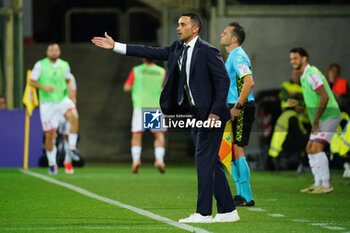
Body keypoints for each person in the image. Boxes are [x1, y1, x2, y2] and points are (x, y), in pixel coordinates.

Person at [92, 13, 239, 223]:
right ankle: (227, 211)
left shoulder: (208, 51)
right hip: (196, 115)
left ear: (195, 29)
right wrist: (116, 46)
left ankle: (204, 213)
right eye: (177, 24)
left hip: (211, 116)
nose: (178, 27)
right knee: (211, 162)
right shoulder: (177, 49)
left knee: (203, 161)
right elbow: (149, 51)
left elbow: (223, 82)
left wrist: (216, 113)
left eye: (182, 24)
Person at [289, 47, 341, 194]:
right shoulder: (305, 76)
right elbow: (315, 100)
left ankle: (326, 185)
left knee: (317, 148)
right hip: (322, 117)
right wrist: (299, 105)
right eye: (291, 59)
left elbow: (324, 96)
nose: (292, 61)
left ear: (304, 59)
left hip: (329, 116)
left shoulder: (312, 74)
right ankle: (317, 183)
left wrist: (316, 120)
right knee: (310, 148)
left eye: (295, 58)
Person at [220, 22, 255, 207]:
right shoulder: (232, 56)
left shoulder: (239, 56)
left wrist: (238, 107)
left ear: (234, 38)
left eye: (225, 33)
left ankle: (247, 196)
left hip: (240, 107)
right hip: (233, 106)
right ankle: (241, 194)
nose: (221, 34)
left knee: (238, 149)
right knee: (232, 151)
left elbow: (249, 82)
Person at [30, 44, 80, 175]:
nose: (54, 52)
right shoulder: (40, 65)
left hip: (62, 100)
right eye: (51, 49)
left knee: (73, 117)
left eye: (56, 49)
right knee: (50, 135)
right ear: (47, 52)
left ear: (60, 51)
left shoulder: (64, 65)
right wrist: (44, 87)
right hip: (48, 104)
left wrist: (72, 97)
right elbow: (31, 81)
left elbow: (70, 81)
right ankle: (52, 163)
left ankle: (72, 151)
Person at [124, 58, 166, 174]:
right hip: (155, 107)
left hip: (140, 106)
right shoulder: (161, 71)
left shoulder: (136, 70)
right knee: (159, 135)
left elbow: (127, 87)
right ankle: (159, 160)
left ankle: (136, 160)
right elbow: (166, 88)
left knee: (137, 135)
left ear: (143, 58)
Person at [268, 95, 309, 170]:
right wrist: (308, 137)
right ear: (296, 106)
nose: (304, 107)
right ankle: (305, 165)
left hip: (278, 146)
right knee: (309, 142)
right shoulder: (292, 116)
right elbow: (297, 133)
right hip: (283, 144)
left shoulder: (285, 114)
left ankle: (302, 164)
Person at [58, 73, 79, 174]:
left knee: (69, 135)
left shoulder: (70, 77)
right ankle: (52, 162)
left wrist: (72, 105)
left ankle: (68, 160)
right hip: (53, 106)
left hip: (66, 105)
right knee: (62, 136)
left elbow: (73, 93)